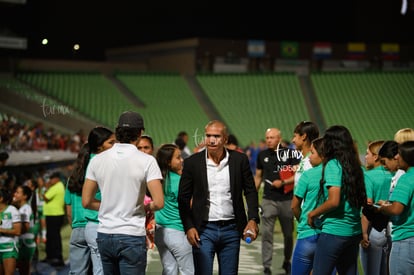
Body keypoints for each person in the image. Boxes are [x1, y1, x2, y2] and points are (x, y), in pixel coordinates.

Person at [82, 111, 164, 275]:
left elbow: (86, 201)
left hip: (105, 234)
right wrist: (143, 207)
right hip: (131, 235)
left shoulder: (97, 160)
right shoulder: (147, 161)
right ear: (140, 133)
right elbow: (159, 202)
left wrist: (109, 206)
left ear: (117, 131)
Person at [178, 120, 260, 275]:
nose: (211, 140)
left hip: (232, 229)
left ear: (225, 139)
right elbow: (183, 198)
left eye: (216, 136)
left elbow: (250, 191)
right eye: (208, 135)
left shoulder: (239, 160)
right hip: (203, 230)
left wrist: (253, 218)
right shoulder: (192, 163)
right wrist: (189, 226)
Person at [307, 125, 367, 275]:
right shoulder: (355, 166)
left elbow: (334, 201)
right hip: (353, 231)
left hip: (334, 231)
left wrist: (312, 213)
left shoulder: (333, 165)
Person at [254, 128, 301, 275]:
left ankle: (287, 261)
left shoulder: (291, 154)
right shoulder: (261, 155)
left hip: (287, 200)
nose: (268, 140)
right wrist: (252, 194)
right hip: (268, 200)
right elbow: (258, 176)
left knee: (288, 234)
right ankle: (266, 266)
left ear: (279, 138)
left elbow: (298, 175)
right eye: (267, 137)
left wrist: (283, 182)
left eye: (272, 138)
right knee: (267, 233)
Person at [76, 127, 115, 275]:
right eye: (111, 143)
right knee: (102, 271)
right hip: (99, 224)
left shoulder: (92, 161)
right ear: (99, 146)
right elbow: (87, 201)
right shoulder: (99, 163)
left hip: (96, 224)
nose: (115, 146)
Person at [154, 144, 194, 275]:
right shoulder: (181, 181)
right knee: (188, 271)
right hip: (178, 231)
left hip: (160, 231)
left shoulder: (157, 179)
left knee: (169, 270)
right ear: (168, 162)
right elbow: (190, 206)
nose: (182, 160)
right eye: (178, 158)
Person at [377, 141, 414, 275]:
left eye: (400, 155)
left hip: (406, 240)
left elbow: (396, 209)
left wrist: (382, 208)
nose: (397, 157)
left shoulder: (407, 178)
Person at [291, 137, 324, 275]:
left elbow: (294, 206)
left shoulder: (308, 174)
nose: (310, 157)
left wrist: (304, 219)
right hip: (329, 235)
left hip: (307, 233)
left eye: (313, 153)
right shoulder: (341, 174)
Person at [359, 140, 393, 275]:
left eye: (368, 153)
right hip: (391, 231)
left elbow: (367, 205)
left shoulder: (368, 175)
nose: (365, 157)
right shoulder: (395, 174)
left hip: (374, 230)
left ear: (376, 156)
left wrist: (364, 233)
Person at [42, 171, 65, 267]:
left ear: (57, 178)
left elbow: (45, 197)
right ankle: (51, 256)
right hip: (53, 214)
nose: (50, 180)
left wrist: (46, 188)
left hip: (55, 215)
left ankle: (57, 257)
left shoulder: (57, 186)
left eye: (52, 178)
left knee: (54, 237)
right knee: (51, 236)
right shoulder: (58, 186)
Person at [13, 185, 36, 275]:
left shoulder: (25, 209)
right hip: (23, 243)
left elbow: (25, 227)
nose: (15, 194)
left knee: (24, 271)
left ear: (25, 196)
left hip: (25, 244)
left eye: (18, 192)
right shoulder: (22, 208)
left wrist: (10, 229)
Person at [291, 121, 319, 186]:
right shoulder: (309, 159)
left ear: (303, 136)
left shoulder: (311, 161)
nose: (293, 140)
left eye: (295, 136)